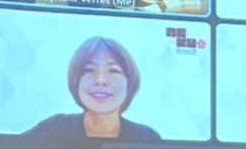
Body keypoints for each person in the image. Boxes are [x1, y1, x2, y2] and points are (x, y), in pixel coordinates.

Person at [23, 36, 160, 141]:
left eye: (113, 70)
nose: (100, 80)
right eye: (89, 70)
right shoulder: (54, 130)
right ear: (75, 80)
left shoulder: (146, 138)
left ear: (130, 82)